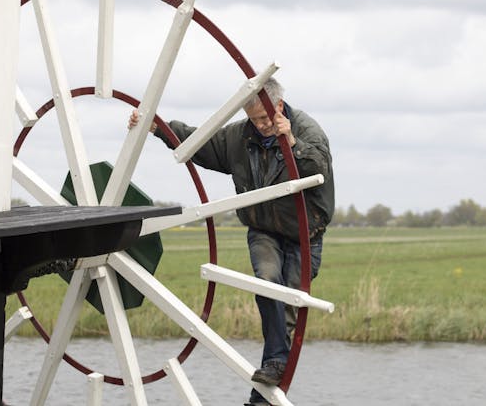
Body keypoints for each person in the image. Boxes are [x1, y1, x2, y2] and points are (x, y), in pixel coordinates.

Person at [128, 77, 334, 406]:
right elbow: (202, 142)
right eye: (255, 119)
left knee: (290, 310)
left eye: (266, 118)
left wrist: (290, 141)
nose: (262, 125)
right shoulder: (242, 135)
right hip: (263, 228)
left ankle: (263, 393)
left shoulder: (308, 130)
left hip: (304, 236)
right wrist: (158, 127)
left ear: (280, 106)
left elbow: (317, 169)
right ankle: (267, 383)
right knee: (268, 283)